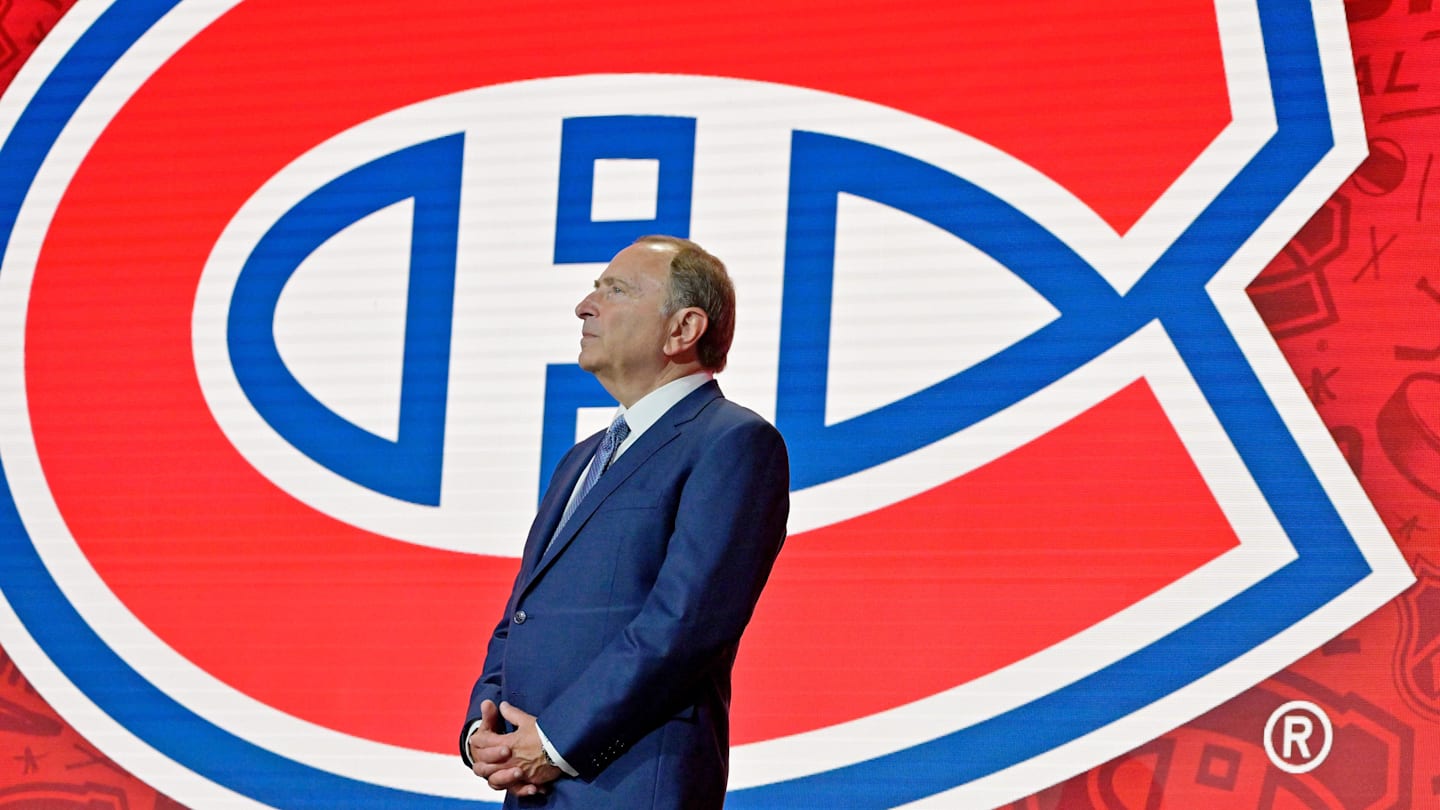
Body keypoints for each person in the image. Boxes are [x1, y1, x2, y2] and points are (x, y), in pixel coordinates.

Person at [460, 235, 790, 808]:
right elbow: (522, 613)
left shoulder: (734, 443)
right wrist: (483, 733)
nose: (585, 307)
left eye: (615, 290)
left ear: (682, 330)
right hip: (531, 787)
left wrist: (555, 743)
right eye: (593, 290)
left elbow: (682, 628)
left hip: (632, 787)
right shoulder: (579, 459)